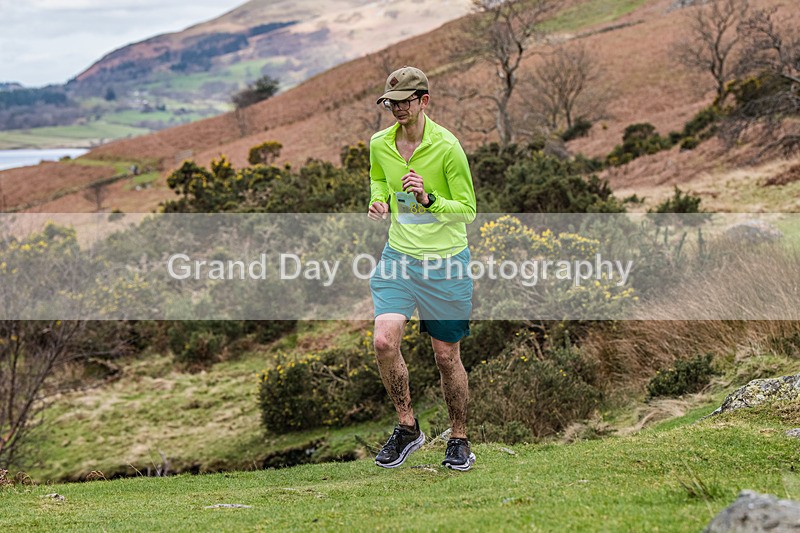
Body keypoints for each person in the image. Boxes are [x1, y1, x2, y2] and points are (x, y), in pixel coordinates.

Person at [367, 66, 477, 471]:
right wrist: (380, 200)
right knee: (383, 343)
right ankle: (408, 426)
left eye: (404, 101)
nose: (396, 108)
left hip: (445, 263)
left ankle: (460, 438)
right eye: (390, 102)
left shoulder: (448, 147)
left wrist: (430, 200)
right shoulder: (380, 143)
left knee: (446, 358)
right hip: (399, 257)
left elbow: (467, 210)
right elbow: (379, 180)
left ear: (423, 101)